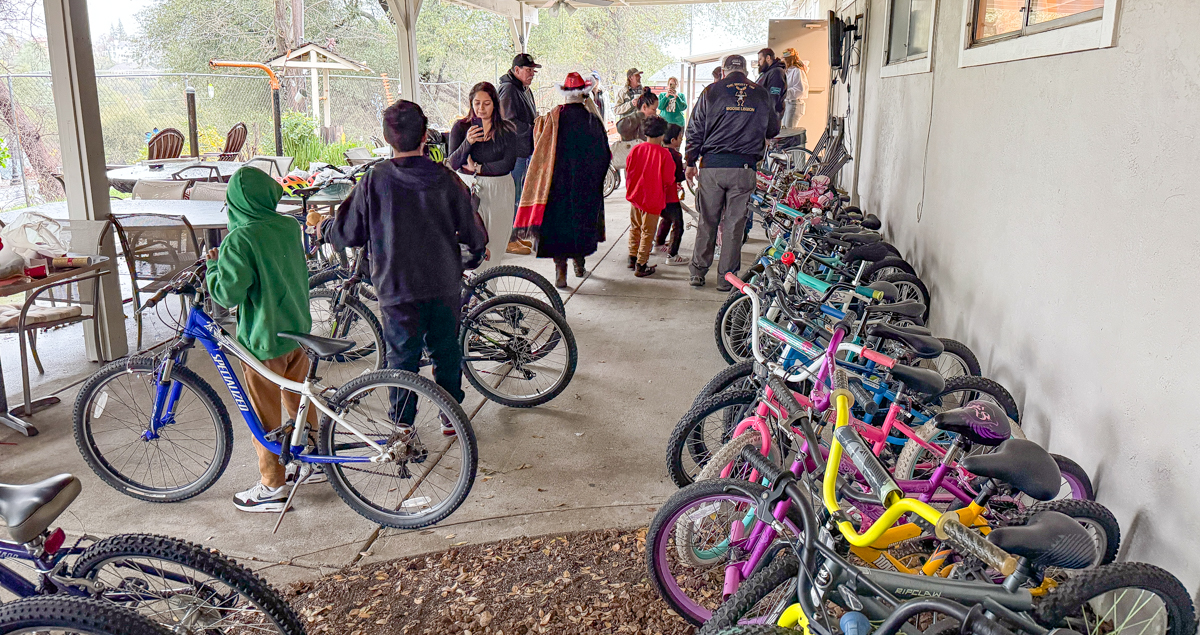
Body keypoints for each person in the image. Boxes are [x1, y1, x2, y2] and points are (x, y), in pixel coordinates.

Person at [321, 100, 487, 426]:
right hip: (443, 284)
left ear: (386, 139)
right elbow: (473, 231)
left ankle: (403, 431)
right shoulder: (445, 177)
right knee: (446, 351)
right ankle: (451, 418)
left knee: (402, 362)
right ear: (426, 135)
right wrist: (475, 252)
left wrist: (323, 228)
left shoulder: (374, 180)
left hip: (397, 289)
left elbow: (347, 232)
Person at [206, 166, 316, 513]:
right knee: (299, 398)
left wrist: (213, 266)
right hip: (297, 329)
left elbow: (226, 294)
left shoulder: (240, 239)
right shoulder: (287, 226)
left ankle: (272, 485)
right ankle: (311, 456)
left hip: (263, 339)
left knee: (262, 415)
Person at [685, 54, 780, 291]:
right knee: (734, 225)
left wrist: (690, 161)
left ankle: (698, 272)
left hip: (713, 168)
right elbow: (773, 128)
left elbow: (695, 129)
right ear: (746, 72)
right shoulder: (761, 93)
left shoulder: (711, 91)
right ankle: (725, 279)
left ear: (724, 71)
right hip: (744, 169)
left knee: (707, 220)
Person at [512, 72, 611, 289]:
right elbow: (604, 155)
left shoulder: (551, 119)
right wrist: (596, 181)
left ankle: (561, 271)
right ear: (584, 94)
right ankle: (579, 263)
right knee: (581, 226)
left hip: (556, 187)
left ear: (564, 94)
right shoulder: (592, 120)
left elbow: (539, 149)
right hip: (584, 187)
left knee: (560, 229)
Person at [447, 81, 517, 272]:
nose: (481, 108)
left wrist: (477, 167)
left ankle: (489, 293)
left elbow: (507, 164)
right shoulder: (461, 128)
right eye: (477, 103)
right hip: (470, 189)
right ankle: (473, 293)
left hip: (500, 189)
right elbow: (453, 163)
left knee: (496, 244)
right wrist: (468, 142)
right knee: (474, 244)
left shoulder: (507, 129)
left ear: (494, 103)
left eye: (486, 103)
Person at [498, 53, 540, 254]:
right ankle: (507, 238)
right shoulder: (508, 90)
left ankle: (515, 235)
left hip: (524, 150)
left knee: (519, 195)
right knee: (512, 195)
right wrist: (533, 128)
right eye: (528, 70)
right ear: (516, 70)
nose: (532, 74)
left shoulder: (524, 89)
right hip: (513, 152)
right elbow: (509, 123)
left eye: (533, 71)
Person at [624, 116, 674, 278]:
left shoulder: (636, 150)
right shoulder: (664, 155)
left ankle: (632, 257)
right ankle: (641, 264)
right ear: (662, 134)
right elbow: (668, 179)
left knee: (635, 228)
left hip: (635, 197)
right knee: (648, 232)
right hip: (653, 199)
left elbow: (629, 172)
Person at [654, 123, 687, 266]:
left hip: (657, 194)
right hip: (670, 195)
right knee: (678, 223)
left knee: (666, 218)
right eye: (680, 137)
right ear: (673, 140)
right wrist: (686, 169)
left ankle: (659, 243)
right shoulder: (676, 155)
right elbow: (679, 176)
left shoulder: (658, 152)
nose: (681, 139)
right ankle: (672, 255)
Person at [781, 48, 810, 130]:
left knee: (789, 130)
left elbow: (799, 90)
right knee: (785, 129)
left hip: (794, 104)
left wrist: (783, 92)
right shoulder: (788, 71)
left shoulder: (797, 71)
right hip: (788, 103)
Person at [756, 48, 787, 119]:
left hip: (770, 117)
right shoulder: (766, 73)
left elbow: (774, 98)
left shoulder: (776, 73)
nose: (758, 63)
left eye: (760, 59)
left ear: (768, 58)